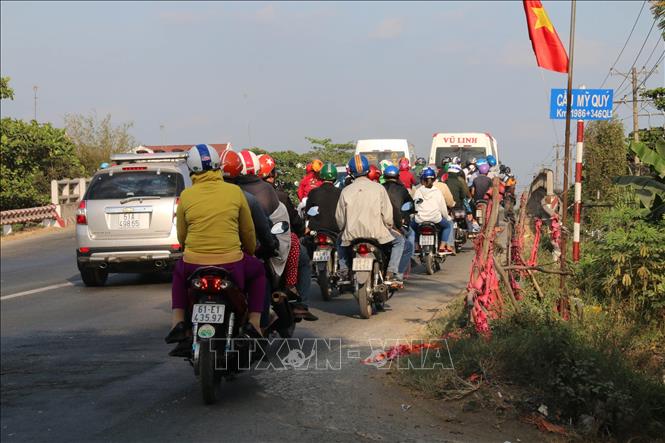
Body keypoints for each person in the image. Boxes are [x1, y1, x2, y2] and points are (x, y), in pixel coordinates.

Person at [165, 144, 266, 357]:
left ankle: (178, 322)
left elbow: (182, 234)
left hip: (193, 263)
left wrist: (189, 250)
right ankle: (255, 324)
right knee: (258, 272)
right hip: (232, 263)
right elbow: (247, 231)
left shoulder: (187, 196)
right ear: (218, 167)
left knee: (177, 274)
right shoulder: (235, 192)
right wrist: (249, 252)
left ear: (192, 170)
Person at [335, 155, 405, 285]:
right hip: (377, 234)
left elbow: (340, 219)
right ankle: (391, 272)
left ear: (350, 172)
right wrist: (389, 227)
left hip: (351, 235)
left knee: (339, 241)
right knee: (400, 241)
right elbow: (388, 216)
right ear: (368, 171)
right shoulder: (379, 188)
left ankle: (344, 271)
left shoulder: (345, 191)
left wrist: (343, 230)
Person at [382, 165, 414, 286]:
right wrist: (399, 226)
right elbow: (409, 206)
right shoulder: (402, 189)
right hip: (393, 225)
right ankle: (398, 274)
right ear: (397, 176)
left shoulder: (380, 188)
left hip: (377, 226)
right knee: (408, 245)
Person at [413, 167, 455, 254]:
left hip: (420, 219)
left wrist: (414, 215)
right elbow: (443, 207)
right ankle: (442, 246)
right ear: (434, 179)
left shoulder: (418, 191)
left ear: (422, 180)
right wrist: (447, 217)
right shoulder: (437, 191)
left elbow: (415, 205)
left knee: (412, 227)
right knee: (447, 226)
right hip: (435, 218)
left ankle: (416, 245)